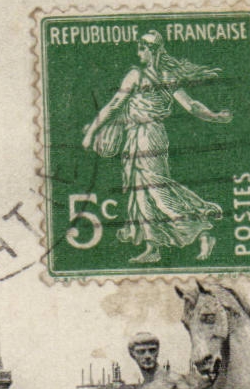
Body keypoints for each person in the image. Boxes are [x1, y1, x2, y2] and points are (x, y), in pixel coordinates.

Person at [82, 31, 233, 265]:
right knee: (140, 192)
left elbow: (113, 105)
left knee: (156, 190)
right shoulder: (166, 75)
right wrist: (214, 116)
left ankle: (202, 230)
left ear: (152, 50)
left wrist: (92, 132)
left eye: (142, 49)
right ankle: (153, 247)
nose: (138, 53)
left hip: (146, 137)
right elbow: (192, 106)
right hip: (140, 136)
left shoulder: (137, 75)